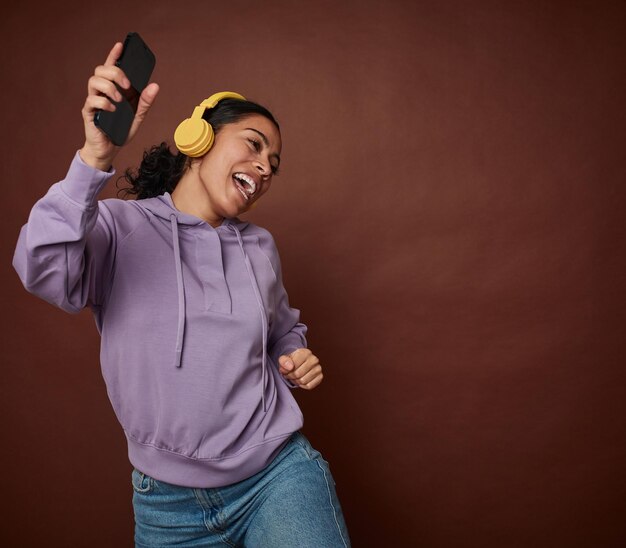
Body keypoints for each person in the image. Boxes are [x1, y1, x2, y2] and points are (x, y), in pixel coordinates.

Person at [13, 42, 350, 547]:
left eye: (273, 164)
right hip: (165, 504)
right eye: (254, 145)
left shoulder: (260, 246)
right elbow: (41, 269)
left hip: (276, 475)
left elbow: (282, 328)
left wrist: (294, 353)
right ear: (200, 137)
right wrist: (95, 158)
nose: (263, 169)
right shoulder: (118, 227)